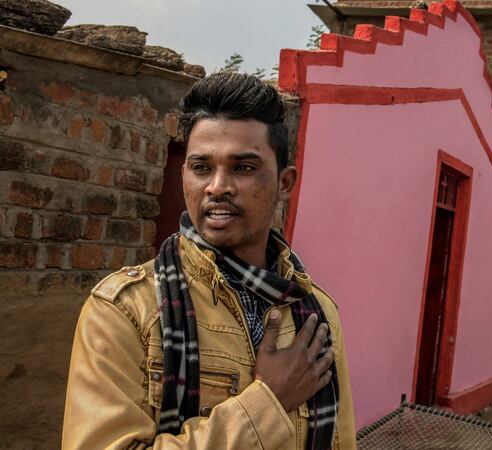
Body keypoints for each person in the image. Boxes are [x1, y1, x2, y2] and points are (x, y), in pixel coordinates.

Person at [62, 72, 355, 449]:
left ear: (284, 183)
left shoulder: (317, 314)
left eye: (243, 167)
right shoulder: (127, 310)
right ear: (184, 175)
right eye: (202, 168)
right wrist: (269, 403)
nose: (218, 187)